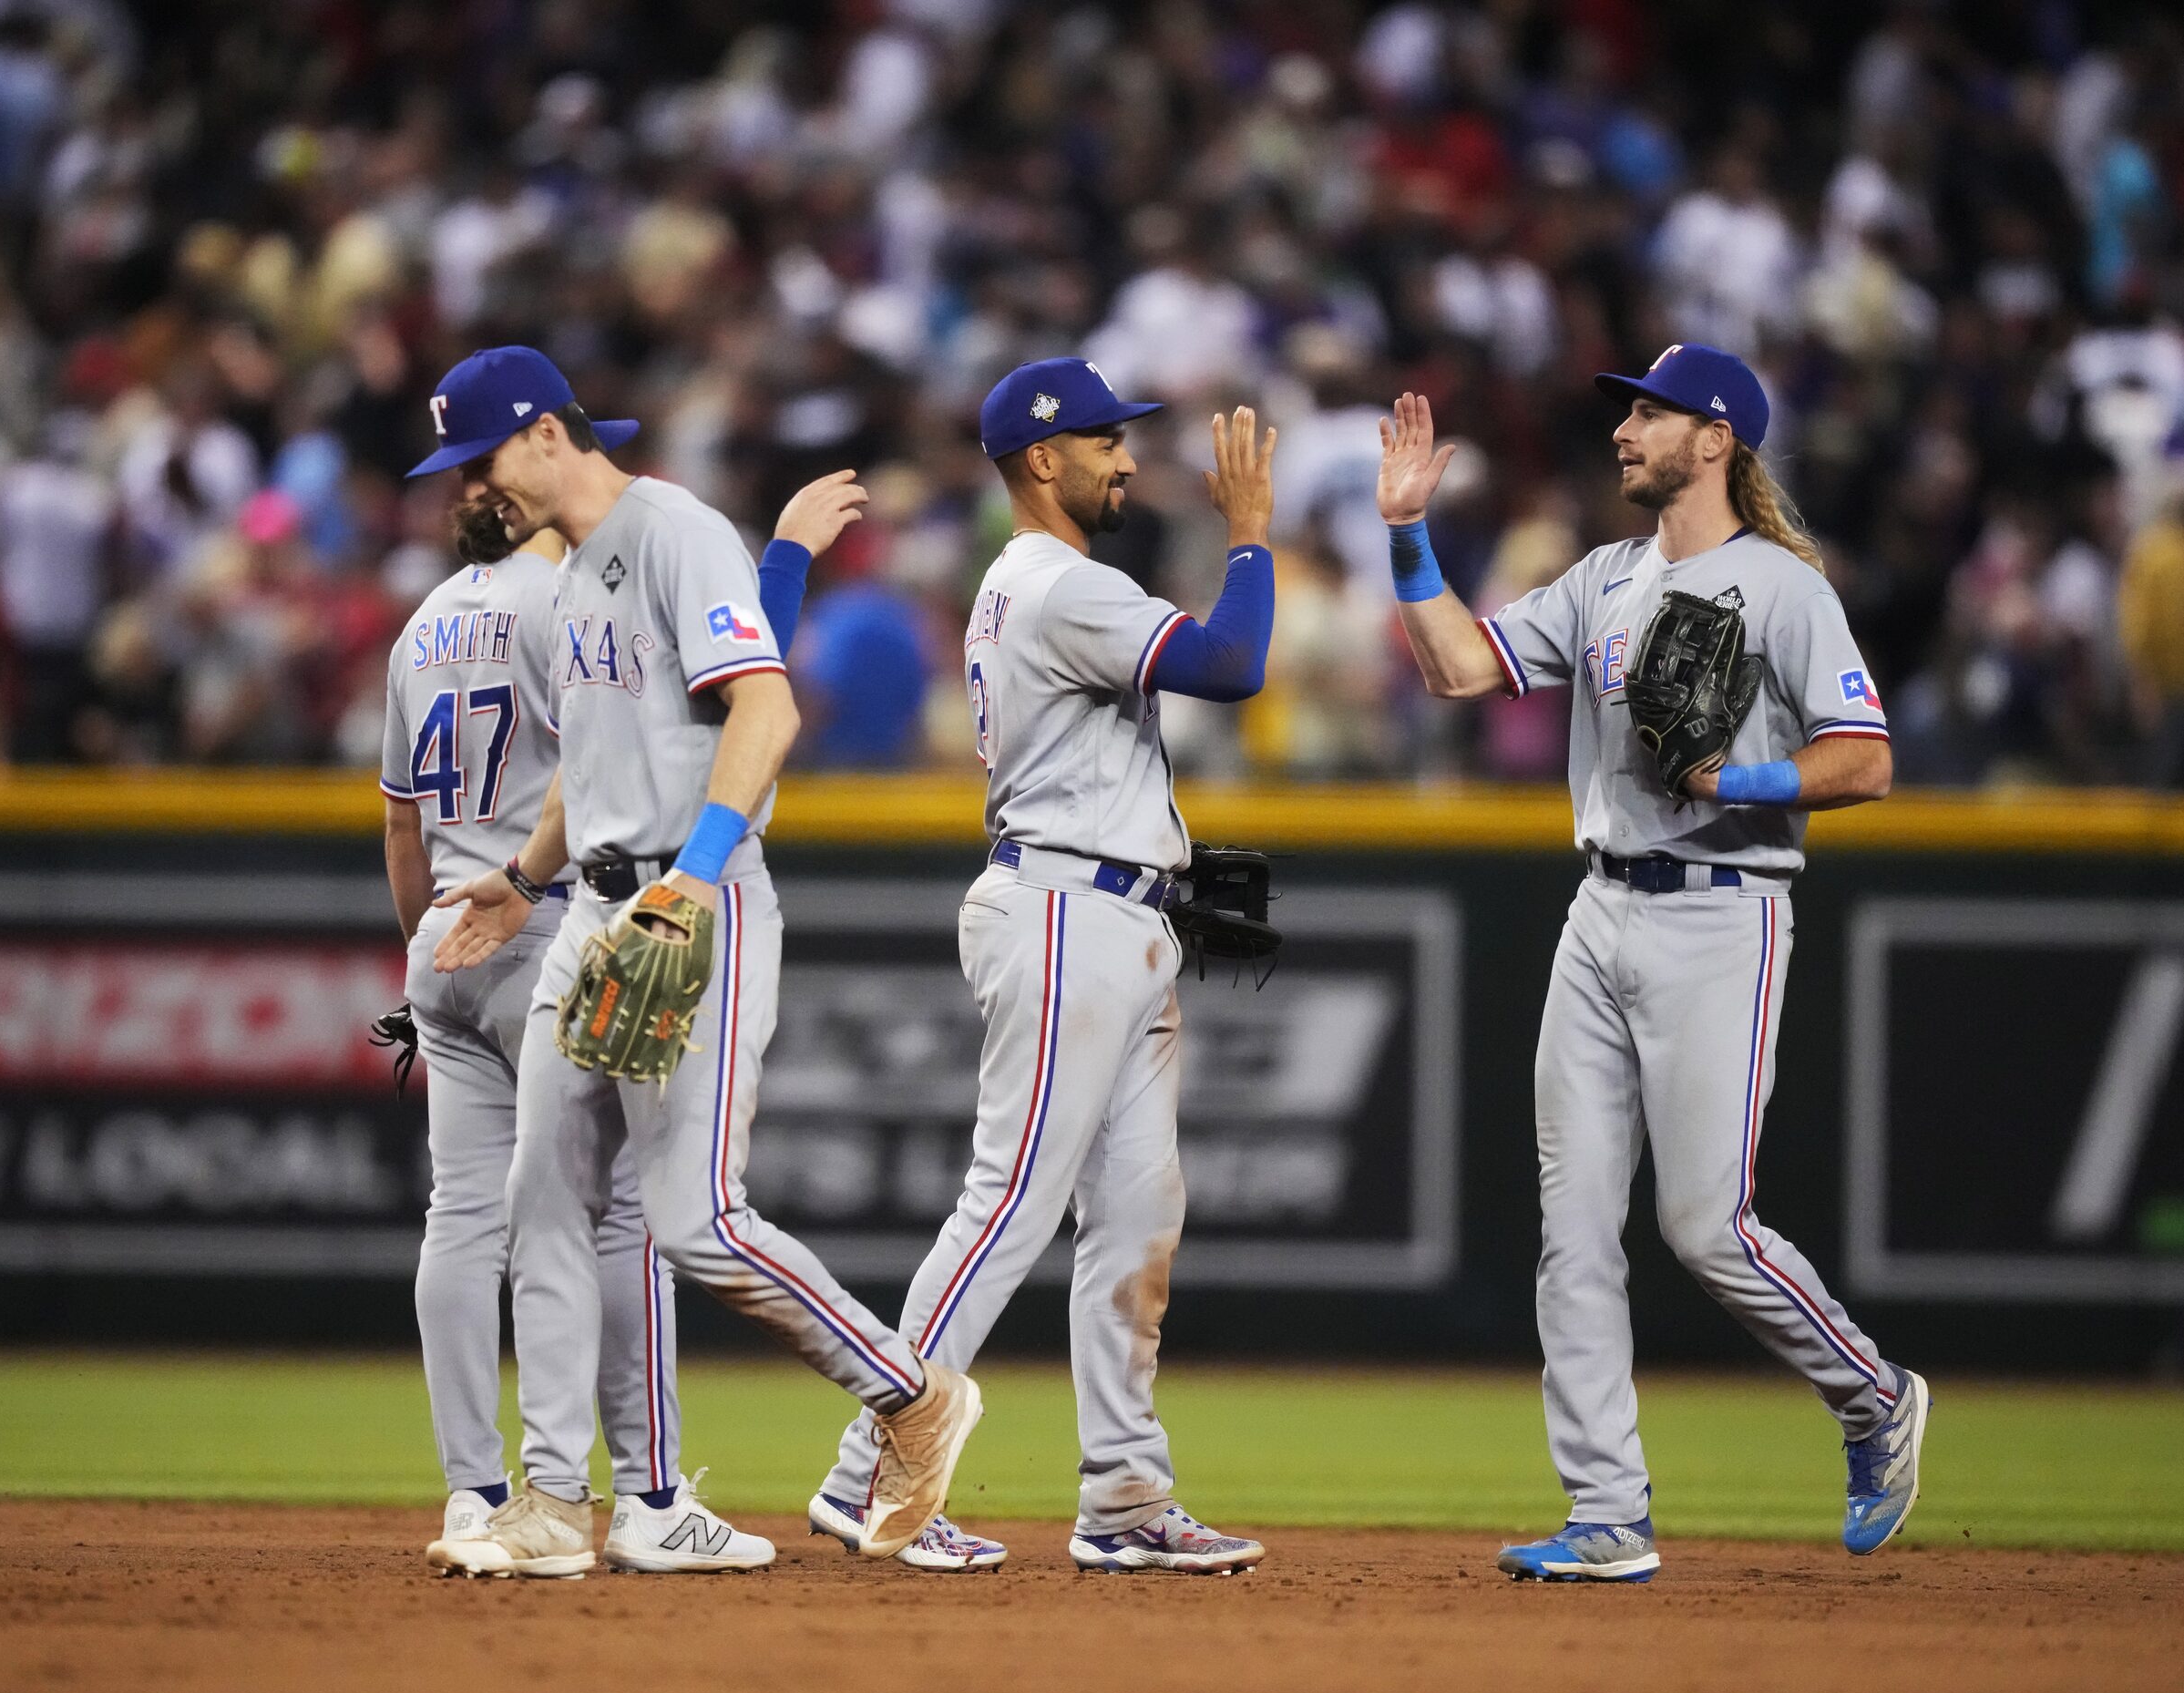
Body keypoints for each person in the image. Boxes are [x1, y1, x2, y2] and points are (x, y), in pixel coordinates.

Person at [410, 346, 980, 1577]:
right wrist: (520, 880)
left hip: (696, 902)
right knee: (541, 1201)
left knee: (695, 1221)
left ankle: (912, 1393)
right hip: (592, 908)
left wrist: (695, 874)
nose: (474, 484)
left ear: (549, 433)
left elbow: (766, 711)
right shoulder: (565, 580)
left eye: (483, 455)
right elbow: (590, 762)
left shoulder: (671, 528)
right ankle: (557, 1501)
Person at [1375, 343, 1928, 1582]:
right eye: (1625, 410)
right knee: (1569, 1230)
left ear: (1715, 438)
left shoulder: (1782, 590)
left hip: (1721, 912)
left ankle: (1872, 1395)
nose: (1624, 428)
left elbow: (1867, 758)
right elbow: (1457, 666)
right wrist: (1406, 534)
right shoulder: (1606, 577)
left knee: (1704, 1226)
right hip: (1601, 907)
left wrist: (1738, 779)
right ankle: (1606, 1511)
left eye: (1651, 411)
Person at [808, 359, 1276, 1575]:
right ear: (1037, 461)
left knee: (1133, 1216)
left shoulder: (1040, 583)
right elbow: (1231, 663)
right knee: (1007, 1199)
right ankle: (872, 1468)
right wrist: (1250, 537)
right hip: (1068, 909)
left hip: (1115, 909)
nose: (1125, 458)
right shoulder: (1058, 581)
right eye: (1104, 442)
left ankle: (1123, 1492)